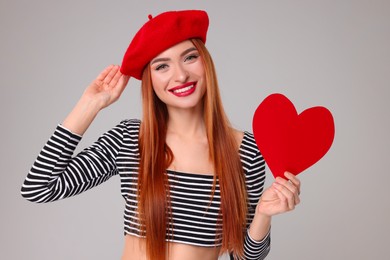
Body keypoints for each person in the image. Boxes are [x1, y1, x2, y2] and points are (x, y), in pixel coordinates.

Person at [21, 10, 301, 260]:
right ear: (150, 80)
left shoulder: (245, 149)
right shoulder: (130, 139)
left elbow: (245, 258)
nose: (180, 76)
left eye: (189, 58)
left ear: (206, 63)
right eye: (162, 66)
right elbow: (39, 187)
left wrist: (264, 214)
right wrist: (90, 104)